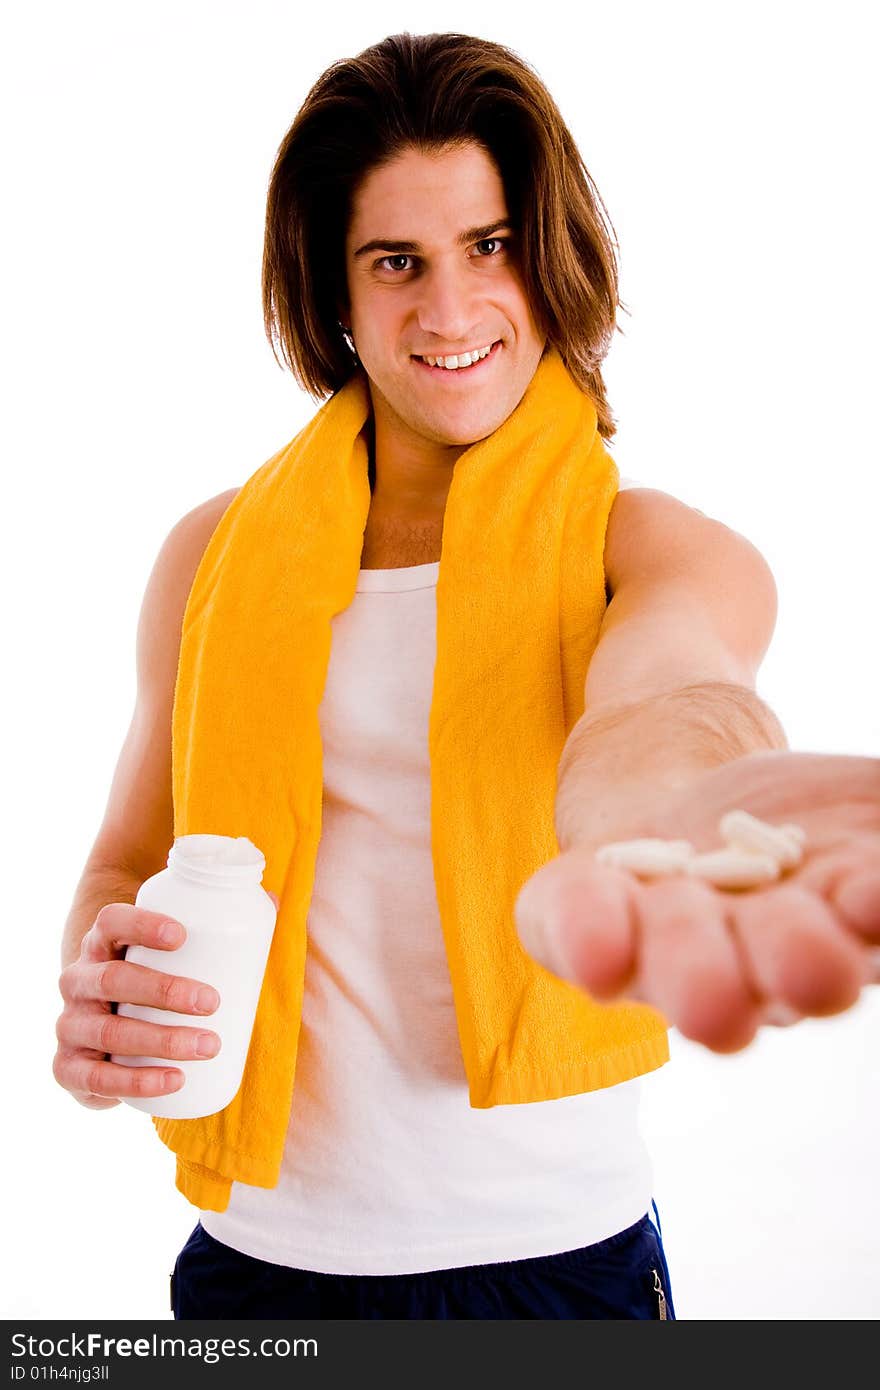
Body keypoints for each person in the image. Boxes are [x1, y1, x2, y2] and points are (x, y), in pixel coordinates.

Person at [53, 32, 879, 1321]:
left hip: (555, 1263)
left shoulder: (647, 544)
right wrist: (108, 987)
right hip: (255, 1263)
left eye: (489, 246)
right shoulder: (211, 556)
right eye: (397, 262)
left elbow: (671, 691)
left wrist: (681, 795)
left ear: (550, 259)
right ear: (332, 289)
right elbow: (126, 855)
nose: (448, 312)